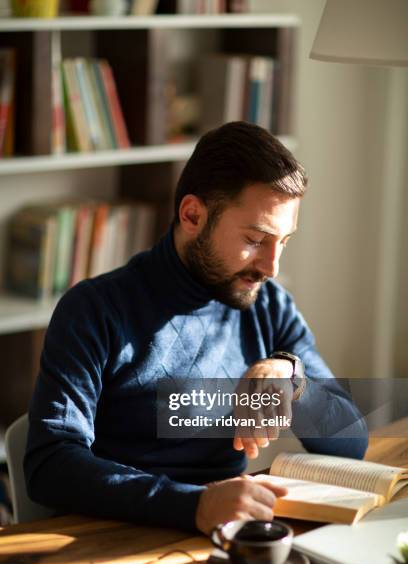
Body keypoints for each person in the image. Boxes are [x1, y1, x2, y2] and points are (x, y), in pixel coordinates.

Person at [24, 122, 368, 535]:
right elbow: (50, 466)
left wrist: (293, 379)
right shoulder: (94, 310)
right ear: (192, 215)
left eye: (284, 241)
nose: (271, 267)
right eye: (255, 239)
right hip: (111, 539)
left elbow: (352, 442)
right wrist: (194, 505)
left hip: (223, 537)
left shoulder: (269, 305)